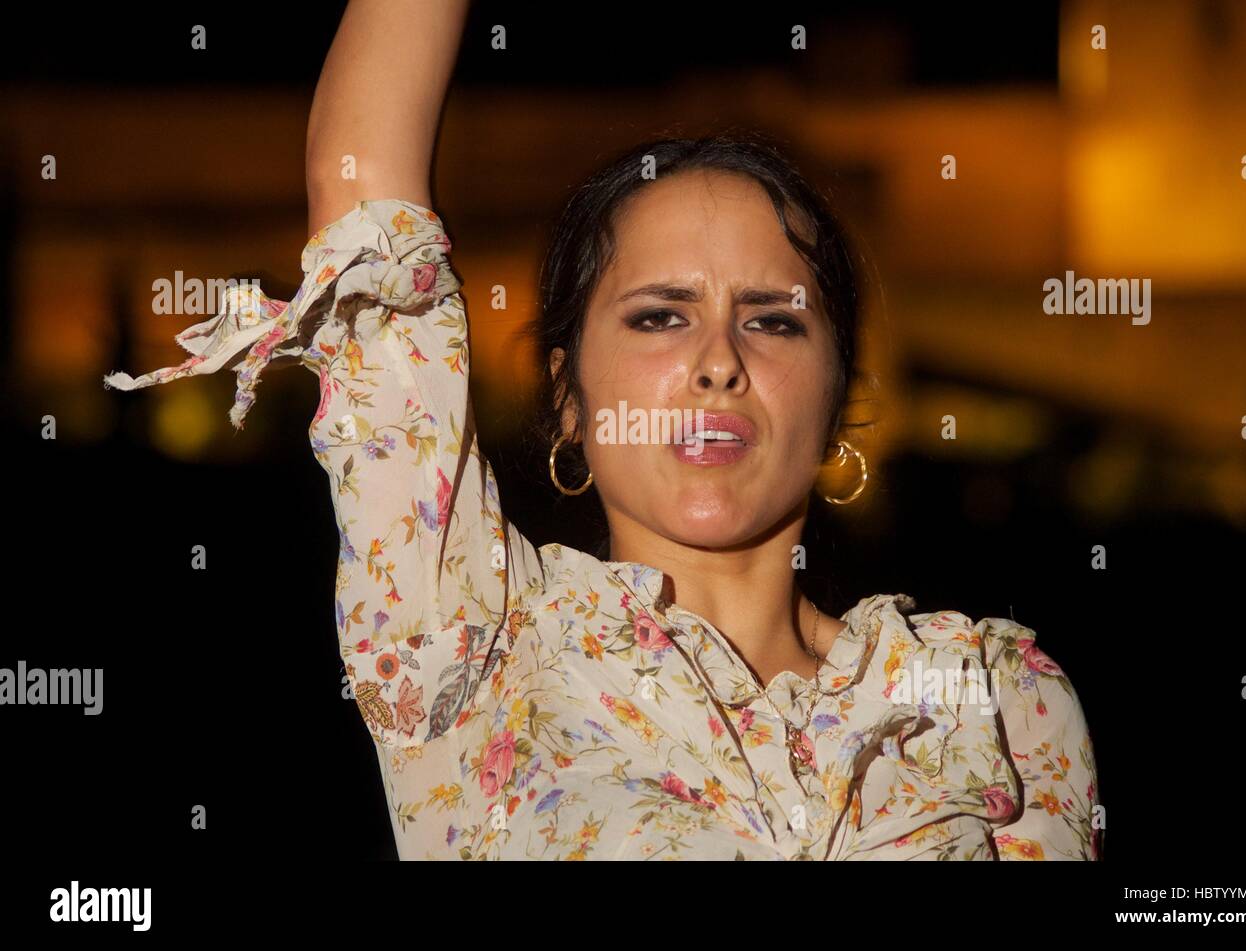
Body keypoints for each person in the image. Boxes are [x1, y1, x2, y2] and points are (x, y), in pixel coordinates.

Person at [105, 0, 1099, 860]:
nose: (719, 359)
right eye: (659, 315)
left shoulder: (995, 696)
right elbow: (362, 189)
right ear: (569, 399)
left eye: (773, 318)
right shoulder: (479, 645)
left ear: (839, 399)